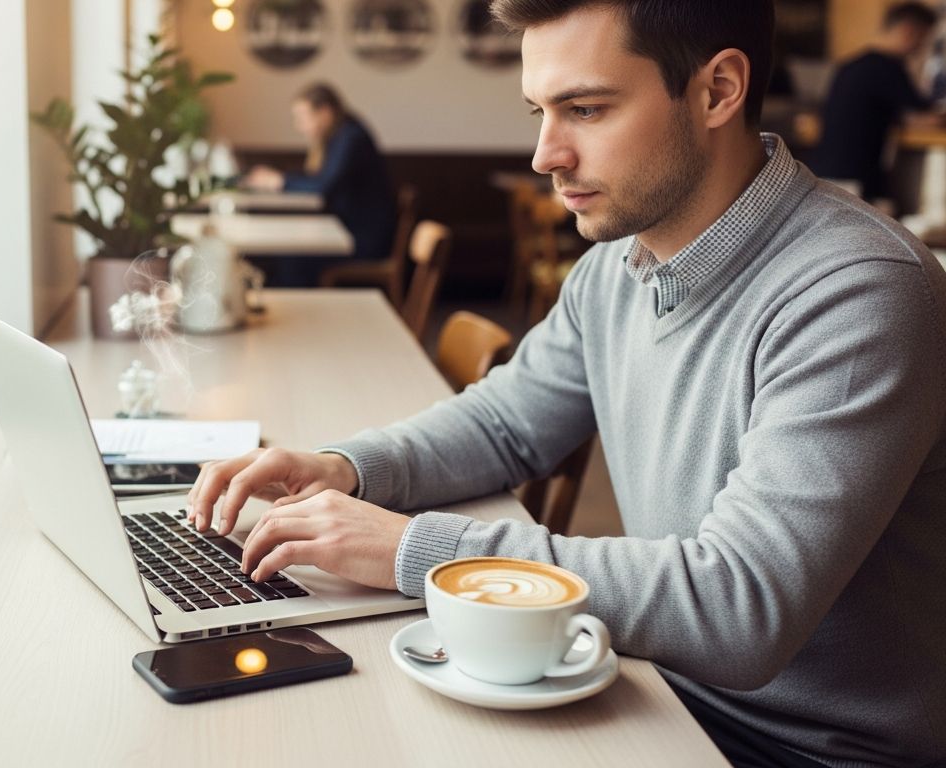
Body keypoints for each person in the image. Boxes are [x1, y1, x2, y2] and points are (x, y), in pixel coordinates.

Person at [188, 1, 946, 766]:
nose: (545, 154)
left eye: (585, 109)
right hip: (649, 685)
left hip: (797, 750)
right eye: (540, 112)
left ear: (718, 90)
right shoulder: (616, 269)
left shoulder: (860, 293)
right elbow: (506, 424)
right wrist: (345, 467)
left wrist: (417, 549)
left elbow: (737, 609)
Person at [243, 84, 397, 285]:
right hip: (347, 230)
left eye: (302, 118)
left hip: (362, 240)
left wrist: (279, 181)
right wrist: (282, 179)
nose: (299, 126)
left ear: (324, 112)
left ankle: (296, 309)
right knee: (288, 253)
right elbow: (317, 179)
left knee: (293, 257)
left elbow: (322, 187)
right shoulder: (340, 135)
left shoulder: (351, 137)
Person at [811, 2, 945, 203]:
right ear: (909, 31)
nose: (921, 47)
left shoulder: (851, 65)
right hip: (855, 178)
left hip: (825, 173)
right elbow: (926, 116)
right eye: (923, 39)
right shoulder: (887, 67)